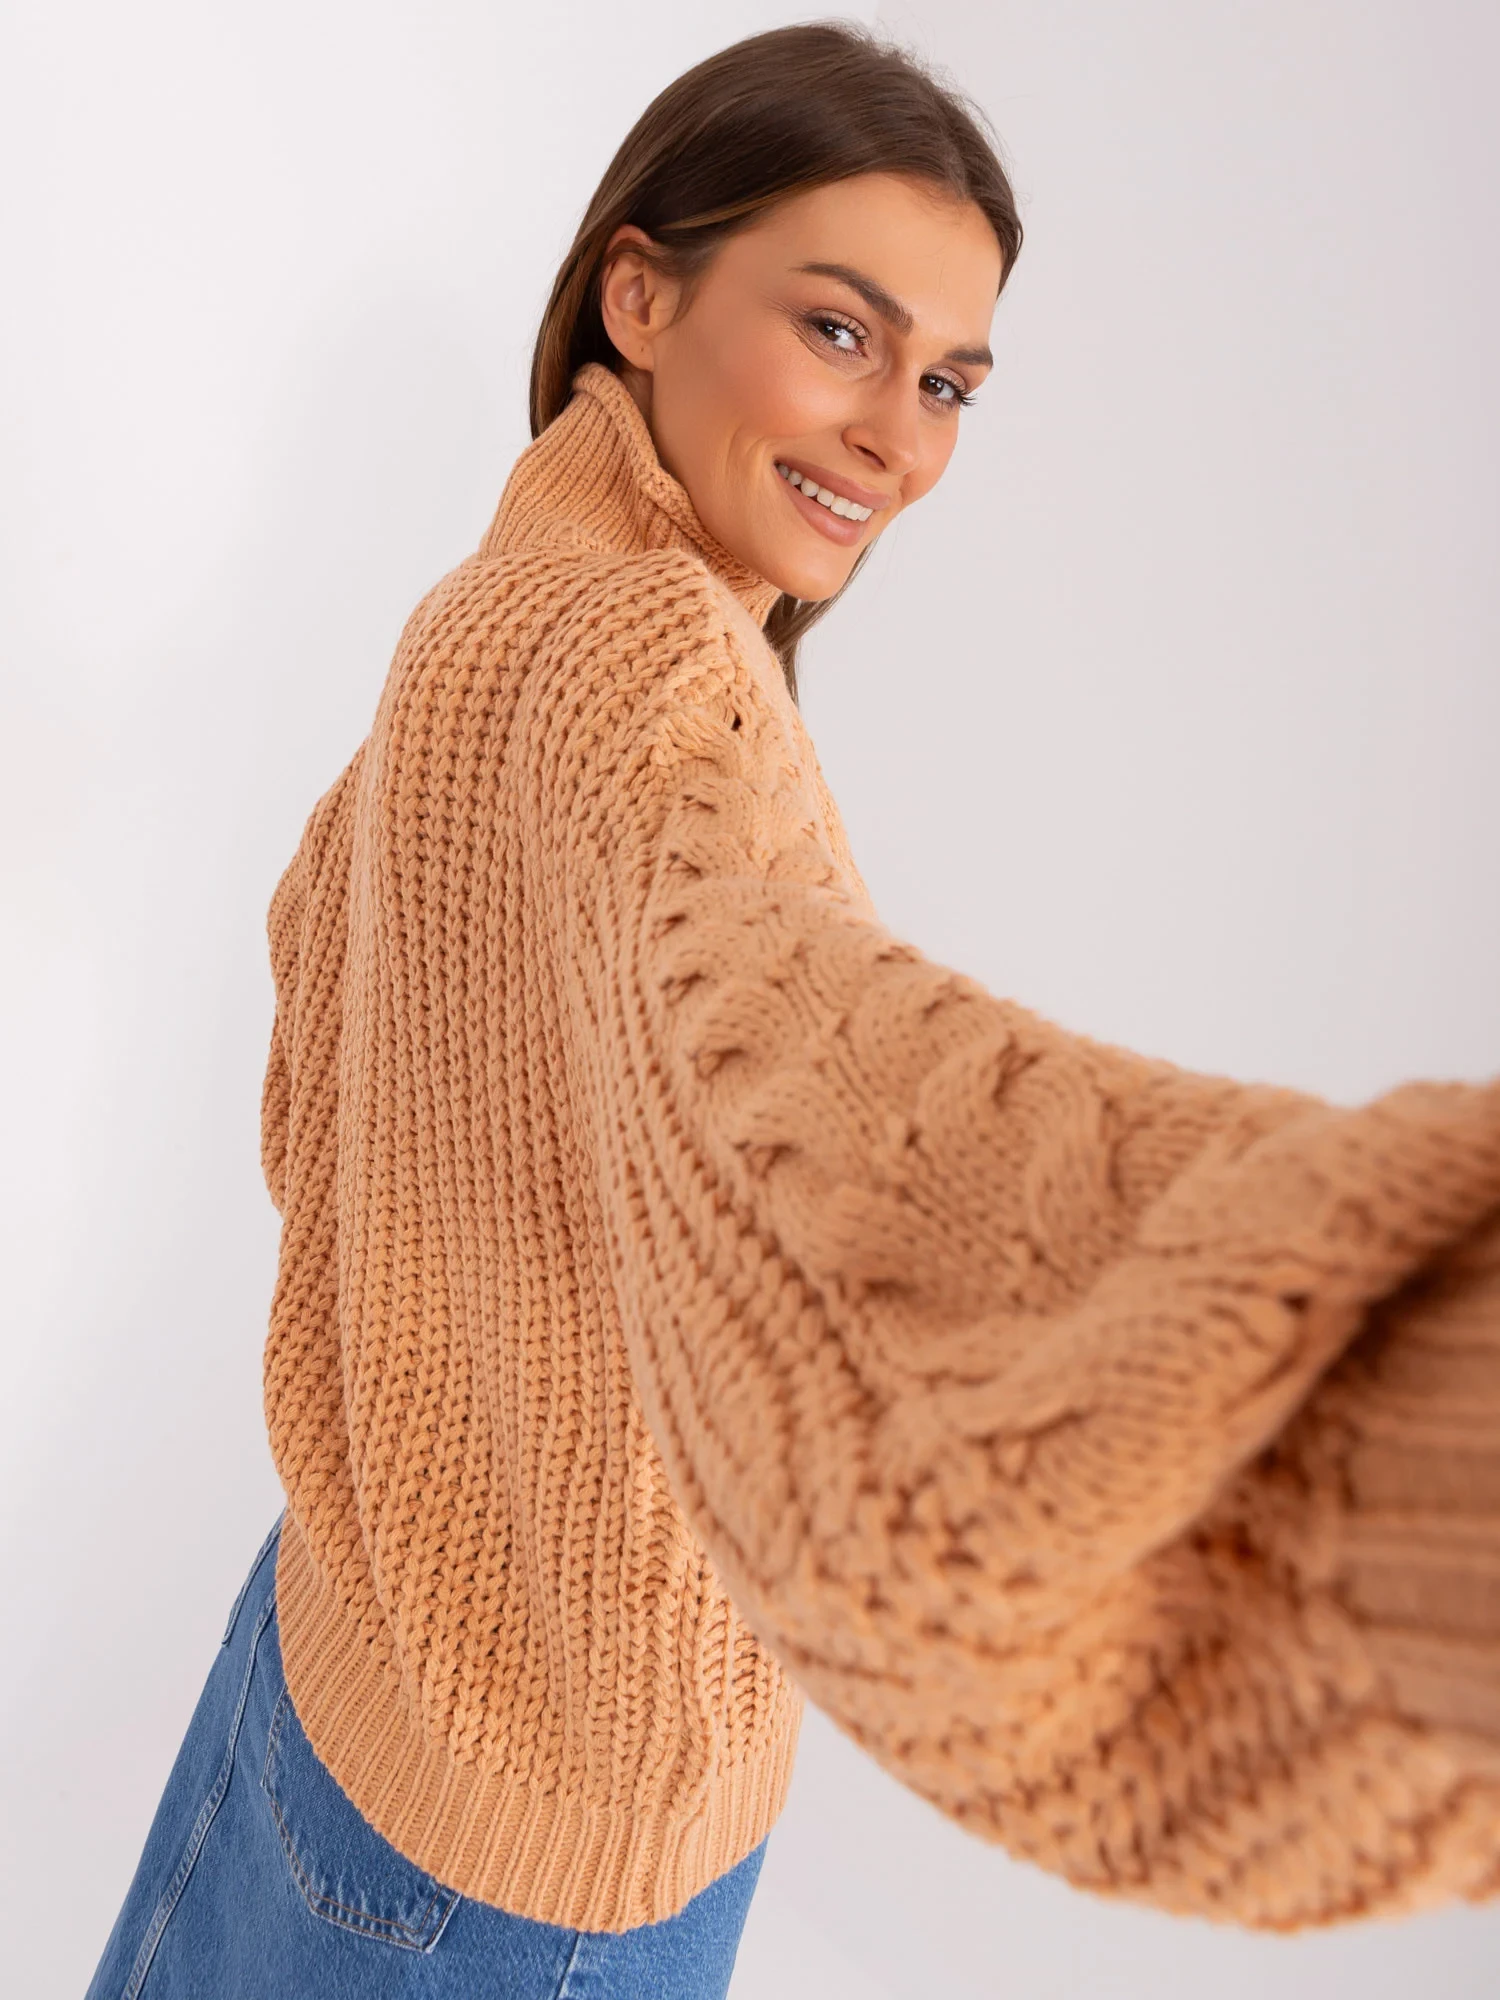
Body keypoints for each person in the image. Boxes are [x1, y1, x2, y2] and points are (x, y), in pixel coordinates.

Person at [85, 19, 1500, 1999]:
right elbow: (845, 1085)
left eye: (948, 383)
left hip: (336, 1657)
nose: (899, 440)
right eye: (841, 333)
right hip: (535, 1842)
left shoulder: (501, 597)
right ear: (639, 294)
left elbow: (323, 1025)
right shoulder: (647, 677)